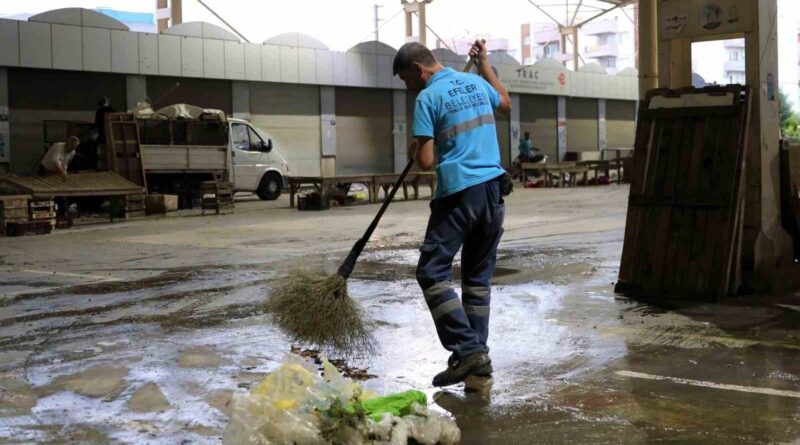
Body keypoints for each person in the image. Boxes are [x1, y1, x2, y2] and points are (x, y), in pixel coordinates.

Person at [393, 40, 512, 387]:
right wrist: (485, 65)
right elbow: (504, 103)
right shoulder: (477, 83)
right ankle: (476, 356)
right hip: (493, 190)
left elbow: (428, 161)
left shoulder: (427, 98)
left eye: (405, 79)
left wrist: (416, 149)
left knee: (431, 272)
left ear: (418, 69)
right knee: (476, 281)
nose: (407, 86)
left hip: (459, 193)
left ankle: (467, 348)